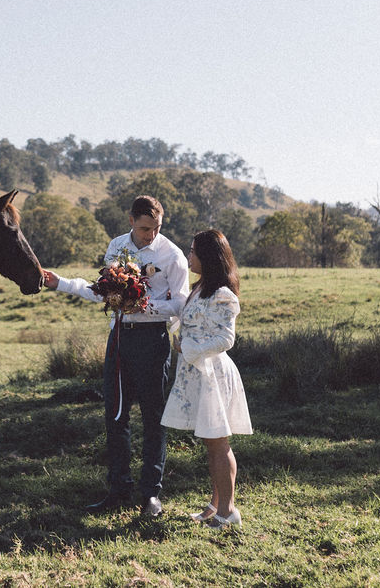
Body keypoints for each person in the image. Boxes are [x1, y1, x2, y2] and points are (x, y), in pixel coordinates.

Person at [43, 195, 190, 517]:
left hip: (152, 340)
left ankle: (151, 493)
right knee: (115, 414)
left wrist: (145, 306)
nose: (150, 234)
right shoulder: (116, 247)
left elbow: (180, 303)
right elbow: (102, 291)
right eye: (144, 228)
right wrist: (62, 284)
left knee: (153, 417)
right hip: (120, 337)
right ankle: (118, 488)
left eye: (156, 228)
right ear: (131, 221)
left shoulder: (173, 256)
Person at [161, 229, 252, 530]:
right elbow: (197, 325)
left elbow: (226, 338)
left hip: (212, 374)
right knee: (211, 442)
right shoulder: (200, 289)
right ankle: (215, 506)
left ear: (208, 256)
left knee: (218, 443)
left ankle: (227, 513)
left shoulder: (223, 294)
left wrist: (188, 347)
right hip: (197, 372)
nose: (189, 256)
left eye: (193, 251)